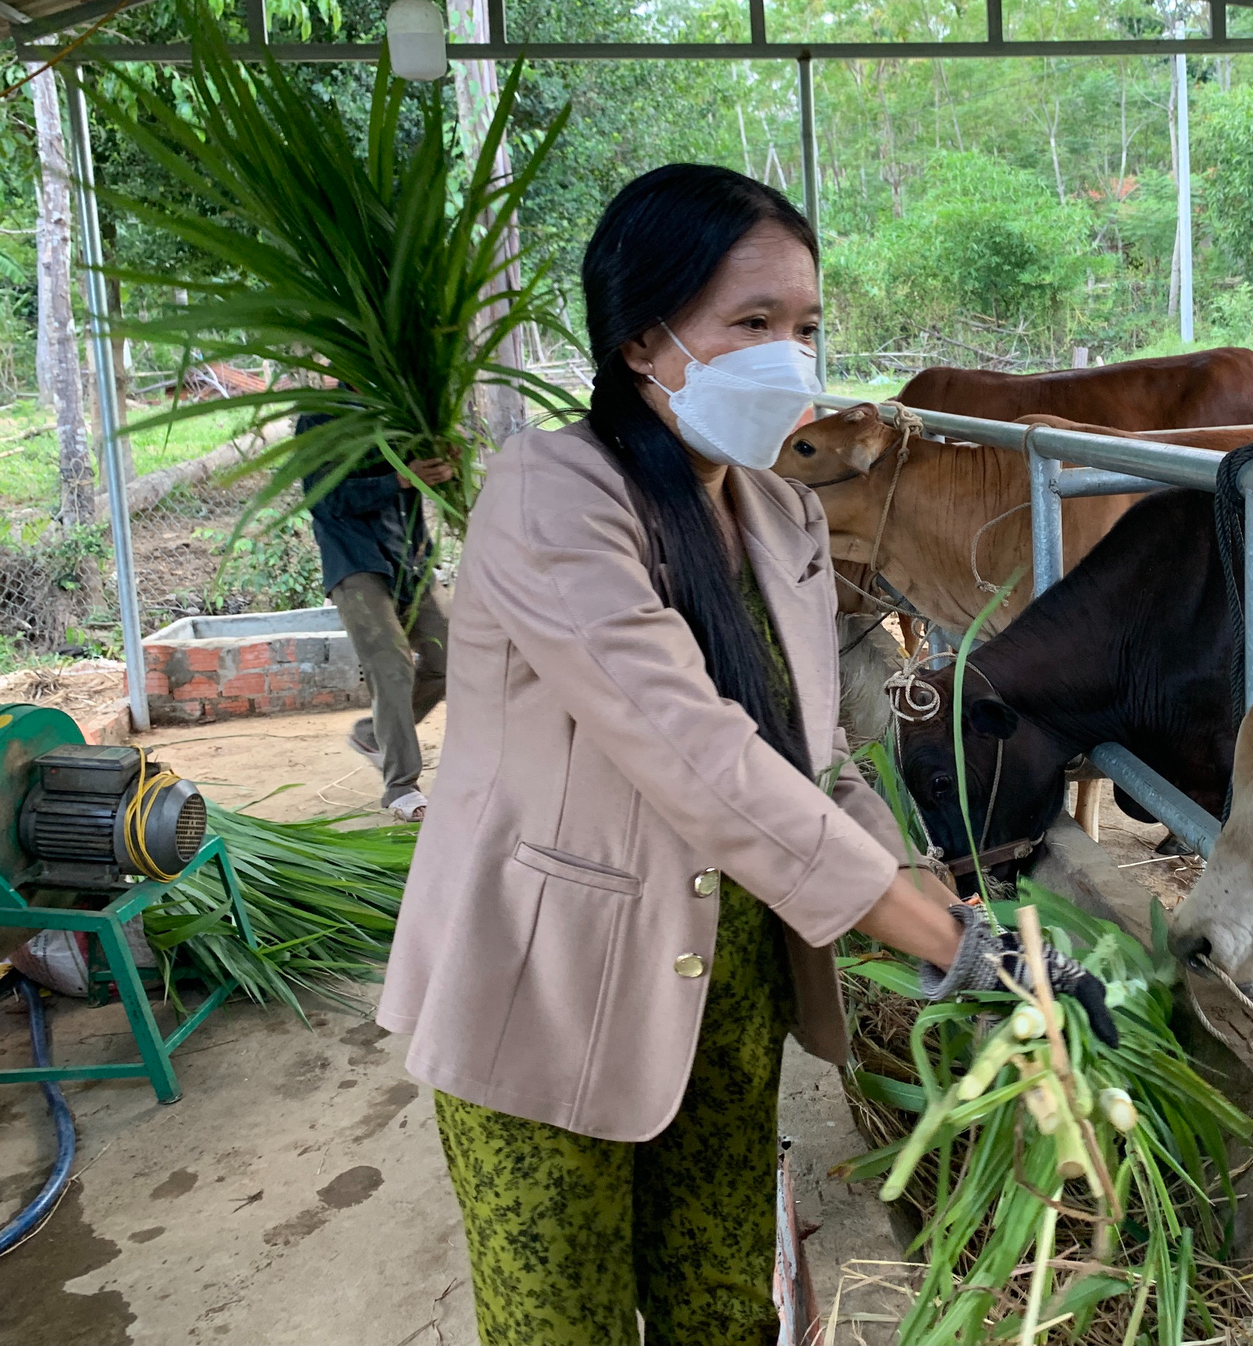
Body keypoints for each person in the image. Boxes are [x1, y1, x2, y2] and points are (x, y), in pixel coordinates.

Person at [375, 164, 1116, 1346]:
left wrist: (948, 903)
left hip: (723, 986)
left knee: (724, 1306)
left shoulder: (781, 515)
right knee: (557, 1322)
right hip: (546, 988)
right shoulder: (546, 498)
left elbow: (814, 761)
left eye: (807, 327)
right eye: (752, 325)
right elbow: (696, 754)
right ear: (640, 340)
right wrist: (957, 945)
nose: (789, 358)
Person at [297, 418, 451, 822]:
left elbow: (416, 490)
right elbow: (325, 499)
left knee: (451, 658)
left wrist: (448, 463)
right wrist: (398, 480)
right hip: (356, 561)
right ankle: (401, 785)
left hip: (411, 561)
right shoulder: (318, 420)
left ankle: (372, 734)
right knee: (391, 663)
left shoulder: (402, 412)